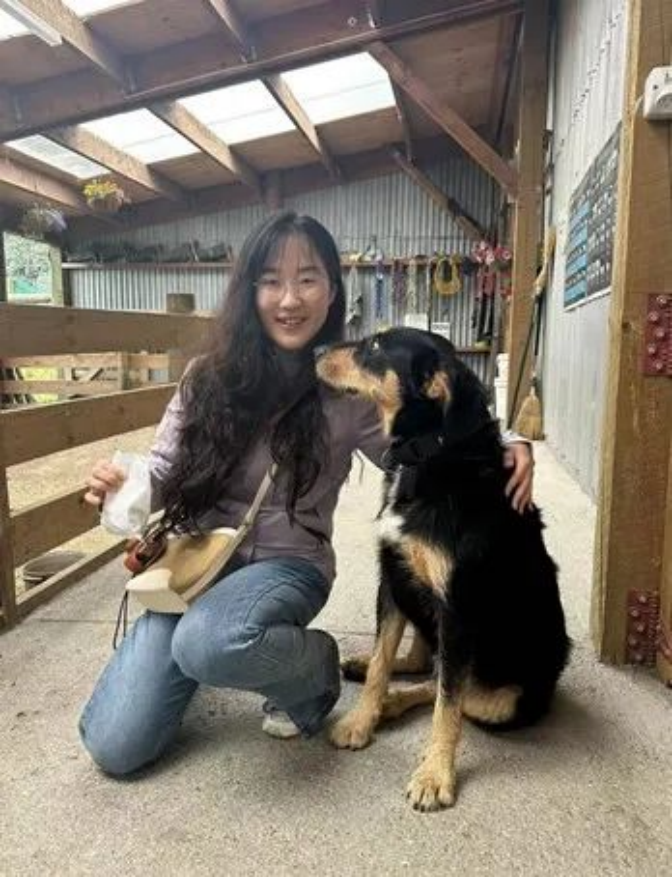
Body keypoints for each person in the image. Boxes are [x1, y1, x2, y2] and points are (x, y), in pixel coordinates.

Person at [81, 211, 534, 776]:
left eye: (307, 279)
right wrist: (123, 486)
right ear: (249, 291)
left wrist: (507, 442)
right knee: (116, 746)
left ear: (332, 291)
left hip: (288, 566)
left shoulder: (349, 390)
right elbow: (164, 470)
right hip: (200, 562)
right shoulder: (205, 377)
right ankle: (230, 649)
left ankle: (313, 675)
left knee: (207, 642)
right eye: (271, 280)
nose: (289, 299)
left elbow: (426, 442)